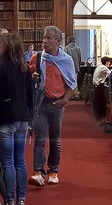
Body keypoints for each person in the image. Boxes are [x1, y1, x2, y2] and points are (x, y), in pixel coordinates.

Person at [0, 30, 34, 205]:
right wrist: (30, 118)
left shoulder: (3, 66)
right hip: (22, 118)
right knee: (20, 161)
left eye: (0, 43)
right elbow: (30, 96)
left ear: (7, 46)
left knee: (7, 163)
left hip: (6, 117)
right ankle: (21, 203)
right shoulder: (24, 66)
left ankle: (8, 204)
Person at [29, 25, 77, 186]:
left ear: (58, 41)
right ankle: (38, 171)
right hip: (41, 103)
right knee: (40, 137)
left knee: (55, 139)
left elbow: (72, 85)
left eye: (49, 38)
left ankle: (54, 170)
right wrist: (33, 77)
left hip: (57, 103)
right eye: (44, 37)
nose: (45, 41)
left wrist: (64, 101)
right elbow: (28, 78)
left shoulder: (66, 60)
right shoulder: (37, 57)